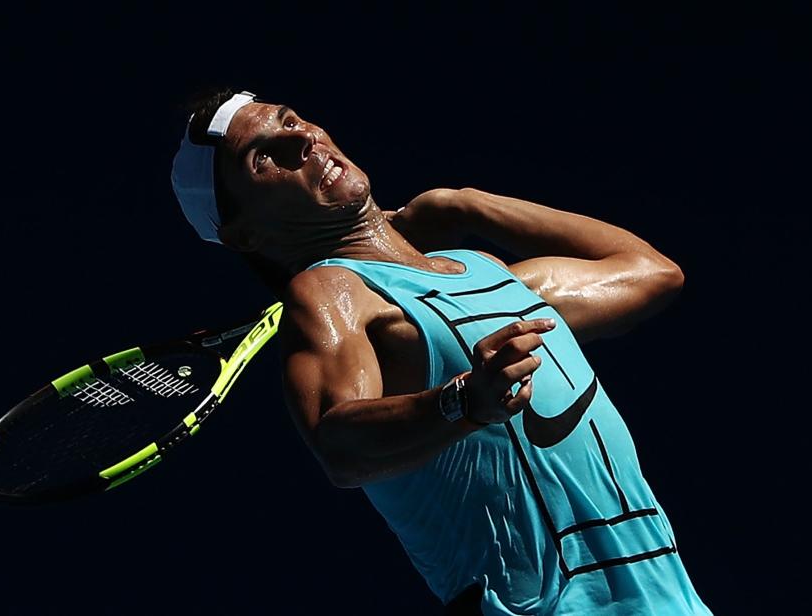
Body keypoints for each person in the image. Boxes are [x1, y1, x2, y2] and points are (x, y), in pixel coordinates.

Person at [172, 88, 714, 615]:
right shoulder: (330, 292)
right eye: (263, 157)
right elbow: (339, 446)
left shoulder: (485, 271)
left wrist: (466, 205)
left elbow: (651, 273)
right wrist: (465, 402)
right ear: (244, 235)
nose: (301, 142)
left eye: (291, 120)